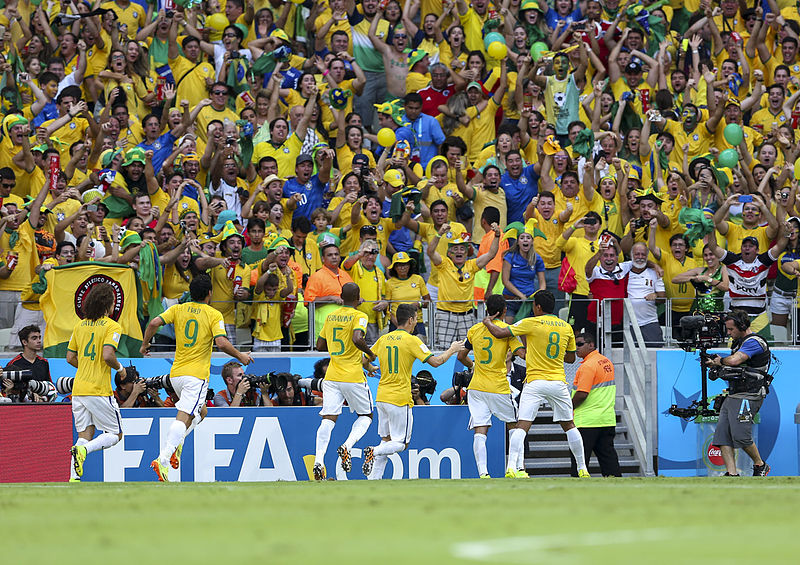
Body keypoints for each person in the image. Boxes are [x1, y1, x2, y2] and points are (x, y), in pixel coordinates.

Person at [141, 274, 253, 481]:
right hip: (196, 375)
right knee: (184, 416)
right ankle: (163, 458)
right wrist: (240, 355)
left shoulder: (177, 309)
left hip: (176, 375)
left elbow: (153, 323)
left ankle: (177, 444)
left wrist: (145, 344)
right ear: (209, 293)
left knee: (202, 411)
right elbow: (221, 342)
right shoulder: (213, 314)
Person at [482, 289, 590, 478]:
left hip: (535, 381)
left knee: (522, 425)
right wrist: (553, 355)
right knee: (570, 425)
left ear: (538, 307)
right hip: (558, 381)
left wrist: (487, 322)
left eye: (533, 305)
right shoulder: (565, 327)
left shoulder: (530, 323)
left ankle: (511, 468)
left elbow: (500, 333)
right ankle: (583, 468)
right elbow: (571, 358)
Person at [361, 303, 464, 479]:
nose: (416, 322)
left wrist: (371, 368)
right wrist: (452, 349)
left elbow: (364, 361)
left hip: (382, 397)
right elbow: (436, 362)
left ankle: (374, 480)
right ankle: (374, 451)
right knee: (401, 443)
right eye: (416, 318)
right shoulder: (412, 340)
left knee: (387, 440)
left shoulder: (383, 339)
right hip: (399, 398)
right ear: (410, 320)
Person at [313, 282, 376, 480]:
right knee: (366, 415)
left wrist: (336, 347)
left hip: (332, 375)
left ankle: (318, 460)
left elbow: (319, 345)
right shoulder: (360, 316)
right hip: (353, 375)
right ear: (358, 298)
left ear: (341, 296)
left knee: (328, 418)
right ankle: (347, 446)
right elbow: (358, 338)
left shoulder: (331, 316)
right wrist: (370, 353)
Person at [457, 295, 525, 478]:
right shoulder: (507, 330)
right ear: (504, 311)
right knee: (516, 425)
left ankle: (483, 473)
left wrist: (473, 366)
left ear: (487, 309)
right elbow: (520, 353)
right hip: (498, 385)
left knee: (480, 429)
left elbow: (461, 356)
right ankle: (518, 469)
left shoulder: (474, 330)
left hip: (477, 386)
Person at [66, 283, 126, 482]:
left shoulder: (79, 325)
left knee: (86, 433)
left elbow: (70, 357)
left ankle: (74, 477)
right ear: (107, 305)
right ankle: (83, 451)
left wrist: (85, 367)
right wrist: (120, 368)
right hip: (98, 389)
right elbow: (108, 355)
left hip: (79, 389)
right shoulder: (112, 326)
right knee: (115, 434)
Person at [705, 310, 772, 477]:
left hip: (749, 394)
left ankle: (760, 464)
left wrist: (720, 361)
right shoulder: (739, 343)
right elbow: (734, 366)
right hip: (734, 394)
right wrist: (716, 365)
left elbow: (735, 360)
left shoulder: (754, 342)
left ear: (742, 326)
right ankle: (732, 473)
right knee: (722, 437)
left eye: (731, 330)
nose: (728, 333)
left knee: (741, 437)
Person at [571, 333, 621, 477]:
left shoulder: (587, 366)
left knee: (579, 463)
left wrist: (567, 409)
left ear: (591, 344)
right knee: (609, 460)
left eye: (580, 344)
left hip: (587, 422)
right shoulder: (606, 362)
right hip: (606, 420)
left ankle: (576, 491)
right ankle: (618, 489)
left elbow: (582, 393)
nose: (576, 348)